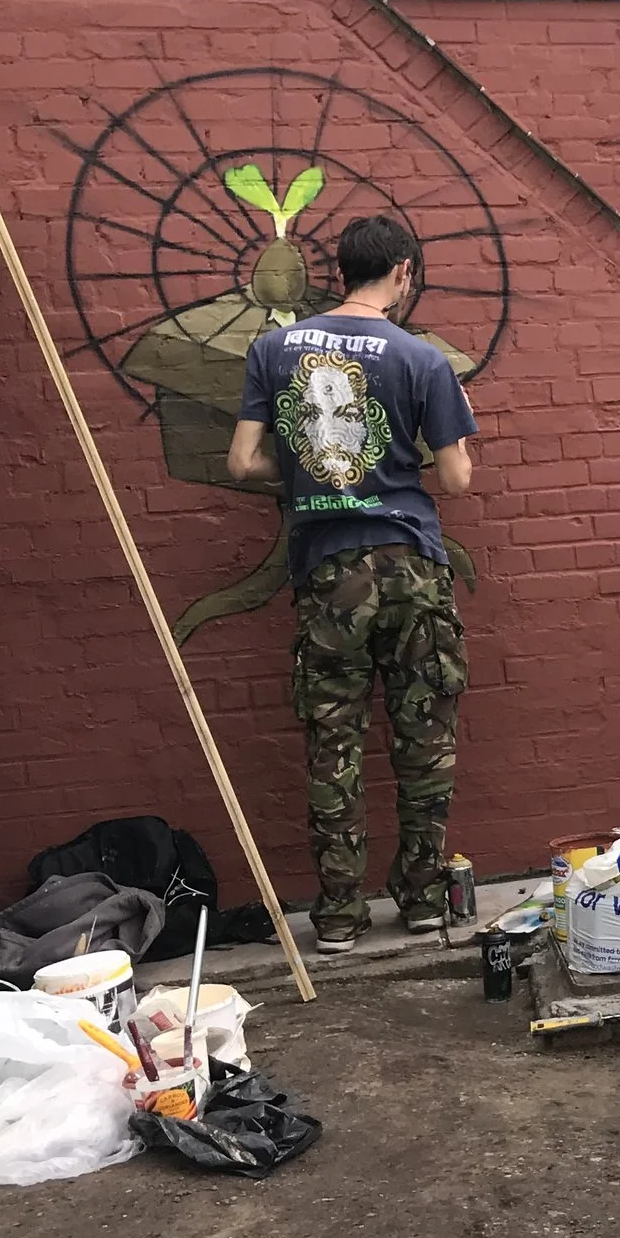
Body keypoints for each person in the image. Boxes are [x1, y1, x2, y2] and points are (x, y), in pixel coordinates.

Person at [228, 216, 478, 952]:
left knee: (332, 744)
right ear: (403, 272)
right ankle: (423, 899)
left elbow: (241, 461)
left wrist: (313, 472)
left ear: (339, 271)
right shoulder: (421, 357)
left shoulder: (273, 349)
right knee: (424, 737)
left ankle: (338, 914)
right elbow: (457, 479)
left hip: (327, 571)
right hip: (411, 566)